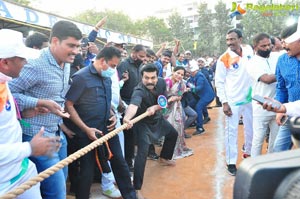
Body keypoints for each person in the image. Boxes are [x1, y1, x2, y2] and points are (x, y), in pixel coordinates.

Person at [9, 20, 82, 199]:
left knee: (60, 183)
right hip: (35, 133)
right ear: (55, 41)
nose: (76, 51)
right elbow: (7, 95)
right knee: (56, 191)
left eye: (78, 46)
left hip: (57, 131)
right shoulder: (34, 65)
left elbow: (58, 97)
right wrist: (38, 101)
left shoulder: (66, 62)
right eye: (71, 45)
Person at [64, 46, 136, 199]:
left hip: (108, 129)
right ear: (103, 61)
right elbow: (68, 104)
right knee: (87, 171)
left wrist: (113, 114)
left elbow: (106, 101)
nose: (114, 69)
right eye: (113, 65)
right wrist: (85, 128)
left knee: (120, 164)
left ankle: (131, 196)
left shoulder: (106, 77)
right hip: (87, 133)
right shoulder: (81, 77)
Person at [0, 29, 61, 199]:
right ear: (5, 62)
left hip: (20, 170)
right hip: (4, 184)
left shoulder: (4, 82)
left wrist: (26, 113)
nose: (26, 63)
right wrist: (30, 148)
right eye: (22, 59)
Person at [123, 63, 178, 199]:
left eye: (153, 77)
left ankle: (164, 157)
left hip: (157, 118)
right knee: (142, 153)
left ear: (157, 76)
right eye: (146, 78)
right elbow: (133, 105)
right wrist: (127, 118)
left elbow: (163, 100)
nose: (150, 81)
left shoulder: (161, 83)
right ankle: (136, 188)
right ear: (142, 77)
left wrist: (155, 107)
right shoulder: (138, 90)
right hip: (142, 123)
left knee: (173, 133)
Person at [215, 28, 254, 176]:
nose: (229, 42)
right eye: (228, 40)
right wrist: (224, 102)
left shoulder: (249, 50)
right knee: (231, 132)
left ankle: (248, 151)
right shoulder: (223, 58)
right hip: (233, 101)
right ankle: (231, 162)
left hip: (250, 98)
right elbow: (219, 82)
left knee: (251, 128)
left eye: (232, 39)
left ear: (240, 39)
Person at [246, 33, 279, 157]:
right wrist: (284, 74)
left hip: (278, 105)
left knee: (275, 140)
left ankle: (271, 164)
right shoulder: (252, 63)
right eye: (263, 46)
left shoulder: (277, 56)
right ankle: (256, 166)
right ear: (255, 47)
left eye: (269, 45)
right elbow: (267, 79)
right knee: (258, 139)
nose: (267, 48)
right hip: (261, 106)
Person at [271, 18, 300, 152]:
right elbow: (281, 88)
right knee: (278, 150)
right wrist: (279, 109)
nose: (283, 46)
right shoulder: (282, 60)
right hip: (290, 113)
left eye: (286, 42)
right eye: (282, 41)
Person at [117, 44, 147, 171]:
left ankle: (130, 159)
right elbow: (117, 85)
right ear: (133, 53)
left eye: (144, 57)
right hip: (124, 104)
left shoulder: (140, 66)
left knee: (133, 135)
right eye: (140, 56)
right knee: (128, 135)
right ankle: (127, 163)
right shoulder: (124, 65)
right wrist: (121, 104)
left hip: (136, 103)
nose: (142, 59)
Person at [164, 66, 193, 159]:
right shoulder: (166, 82)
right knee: (170, 128)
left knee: (178, 127)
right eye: (178, 73)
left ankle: (178, 149)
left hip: (176, 108)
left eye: (182, 74)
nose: (179, 76)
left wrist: (175, 98)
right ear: (173, 71)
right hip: (165, 108)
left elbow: (180, 96)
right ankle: (167, 151)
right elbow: (161, 97)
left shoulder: (181, 84)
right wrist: (169, 100)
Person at [187, 62, 215, 135]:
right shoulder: (192, 76)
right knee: (191, 105)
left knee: (198, 107)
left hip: (207, 96)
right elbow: (188, 83)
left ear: (196, 71)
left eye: (192, 72)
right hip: (200, 96)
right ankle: (194, 121)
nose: (191, 73)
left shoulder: (200, 76)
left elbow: (199, 88)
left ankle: (200, 128)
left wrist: (190, 89)